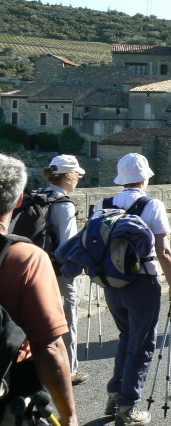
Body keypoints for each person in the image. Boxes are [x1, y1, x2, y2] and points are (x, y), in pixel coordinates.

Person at [97, 153, 171, 425]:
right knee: (142, 344)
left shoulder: (102, 204)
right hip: (142, 283)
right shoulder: (152, 205)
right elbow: (164, 252)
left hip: (111, 283)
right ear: (145, 178)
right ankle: (127, 407)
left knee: (126, 337)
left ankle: (115, 394)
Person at [0, 154, 79, 426]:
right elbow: (50, 346)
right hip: (9, 389)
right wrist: (69, 416)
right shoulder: (26, 258)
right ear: (18, 200)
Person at [40, 155, 89, 386]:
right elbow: (68, 246)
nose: (78, 179)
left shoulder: (36, 197)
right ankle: (69, 370)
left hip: (34, 268)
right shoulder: (64, 204)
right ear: (68, 177)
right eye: (77, 175)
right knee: (67, 318)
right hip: (57, 272)